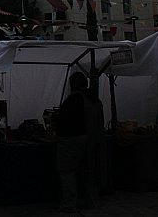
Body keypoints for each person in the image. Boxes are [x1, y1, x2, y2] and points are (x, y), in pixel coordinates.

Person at [55, 71, 105, 213]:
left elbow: (63, 121)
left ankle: (69, 203)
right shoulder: (94, 99)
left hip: (71, 139)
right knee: (88, 170)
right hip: (90, 139)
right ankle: (90, 200)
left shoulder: (74, 99)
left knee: (66, 171)